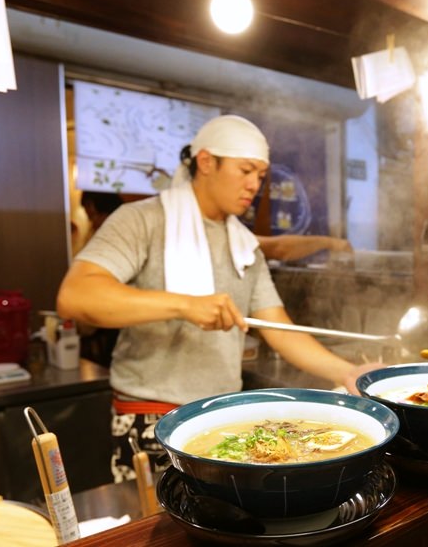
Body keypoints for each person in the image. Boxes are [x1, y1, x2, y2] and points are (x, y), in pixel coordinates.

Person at [56, 114, 381, 482]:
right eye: (245, 171)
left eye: (260, 175)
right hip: (150, 416)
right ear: (207, 162)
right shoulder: (143, 220)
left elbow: (279, 329)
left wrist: (347, 372)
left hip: (223, 417)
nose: (254, 185)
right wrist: (185, 304)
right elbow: (76, 295)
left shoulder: (242, 243)